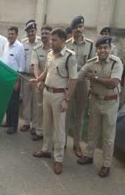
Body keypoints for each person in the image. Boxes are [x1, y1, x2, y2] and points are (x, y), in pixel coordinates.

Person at [31, 28, 77, 175]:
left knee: (59, 129)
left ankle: (58, 159)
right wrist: (38, 79)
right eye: (51, 39)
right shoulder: (50, 54)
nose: (51, 42)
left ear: (63, 41)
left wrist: (66, 100)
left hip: (59, 97)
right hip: (47, 93)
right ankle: (45, 149)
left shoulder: (70, 57)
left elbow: (73, 80)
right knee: (47, 125)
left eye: (54, 40)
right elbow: (46, 71)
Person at [77, 36, 123, 178]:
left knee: (108, 135)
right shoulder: (91, 63)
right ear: (96, 49)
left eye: (105, 48)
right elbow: (78, 76)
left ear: (109, 49)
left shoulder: (117, 63)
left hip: (110, 103)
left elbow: (114, 83)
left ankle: (106, 164)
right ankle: (89, 155)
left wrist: (95, 78)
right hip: (95, 101)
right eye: (100, 48)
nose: (103, 50)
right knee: (92, 130)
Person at [66, 15, 95, 158]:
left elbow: (91, 66)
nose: (79, 30)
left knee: (80, 115)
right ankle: (63, 142)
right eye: (76, 27)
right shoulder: (66, 44)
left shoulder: (90, 45)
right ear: (72, 29)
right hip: (69, 84)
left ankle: (77, 144)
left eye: (81, 27)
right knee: (66, 113)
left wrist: (80, 78)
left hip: (83, 84)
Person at [0, 26, 25, 134]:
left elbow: (21, 66)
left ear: (16, 35)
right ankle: (8, 121)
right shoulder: (6, 45)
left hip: (14, 79)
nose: (10, 36)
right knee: (7, 102)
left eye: (12, 34)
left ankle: (14, 126)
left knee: (14, 104)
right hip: (5, 78)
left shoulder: (19, 47)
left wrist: (17, 81)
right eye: (9, 34)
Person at [30, 25, 52, 141]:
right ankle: (39, 131)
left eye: (46, 33)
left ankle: (49, 133)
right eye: (42, 33)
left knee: (51, 110)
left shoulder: (56, 49)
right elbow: (35, 66)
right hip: (40, 82)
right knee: (39, 107)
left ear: (51, 34)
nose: (44, 36)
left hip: (53, 84)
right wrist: (38, 80)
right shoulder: (36, 49)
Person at [20, 20, 41, 134]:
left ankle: (35, 125)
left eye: (32, 31)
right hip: (26, 76)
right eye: (28, 32)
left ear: (35, 31)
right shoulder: (23, 42)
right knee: (26, 100)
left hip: (37, 77)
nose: (30, 34)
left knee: (36, 102)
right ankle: (26, 122)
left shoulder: (41, 42)